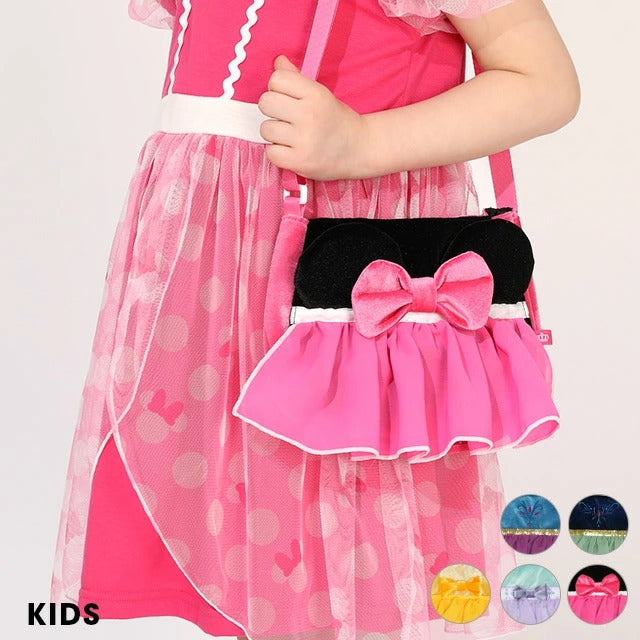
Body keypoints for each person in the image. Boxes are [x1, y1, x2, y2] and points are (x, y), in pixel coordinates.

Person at [50, 1, 580, 639]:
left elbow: (543, 82)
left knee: (341, 534)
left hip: (338, 260)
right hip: (206, 266)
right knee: (232, 519)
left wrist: (363, 142)